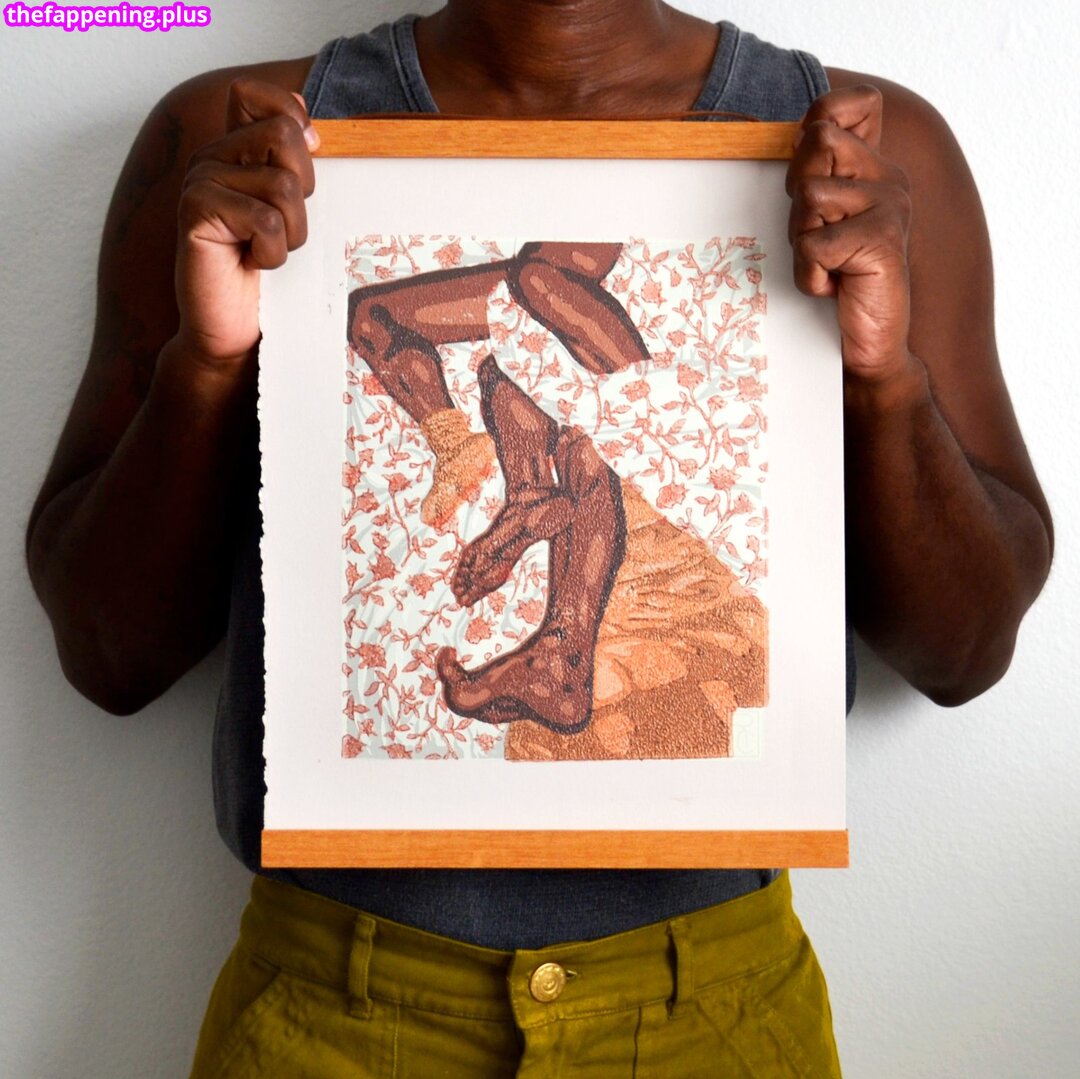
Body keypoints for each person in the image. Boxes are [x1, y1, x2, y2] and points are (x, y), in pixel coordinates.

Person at [24, 2, 1053, 1076]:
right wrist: (205, 365)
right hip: (334, 1008)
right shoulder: (239, 143)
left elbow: (964, 652)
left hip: (713, 1001)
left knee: (536, 336)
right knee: (467, 336)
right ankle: (520, 524)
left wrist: (885, 382)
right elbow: (110, 659)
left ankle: (553, 603)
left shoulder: (868, 150)